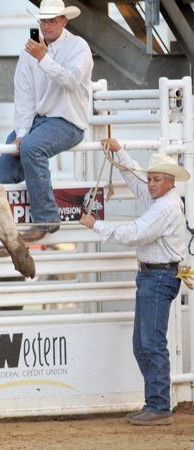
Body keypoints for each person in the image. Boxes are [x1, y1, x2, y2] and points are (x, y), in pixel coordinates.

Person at [80, 138, 190, 426]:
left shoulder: (164, 208)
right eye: (151, 179)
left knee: (150, 343)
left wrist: (96, 225)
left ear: (168, 182)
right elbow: (135, 177)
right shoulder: (163, 200)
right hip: (155, 275)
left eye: (156, 180)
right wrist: (120, 153)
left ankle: (159, 405)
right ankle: (155, 403)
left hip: (158, 276)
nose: (150, 183)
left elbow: (136, 233)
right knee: (145, 343)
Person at [0, 0, 93, 242]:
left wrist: (43, 58)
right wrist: (22, 130)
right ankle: (7, 233)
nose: (47, 26)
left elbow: (70, 80)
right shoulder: (30, 54)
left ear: (63, 21)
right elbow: (24, 95)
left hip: (69, 121)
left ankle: (46, 220)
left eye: (52, 21)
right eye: (44, 21)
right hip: (42, 121)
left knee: (30, 148)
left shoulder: (79, 47)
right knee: (3, 170)